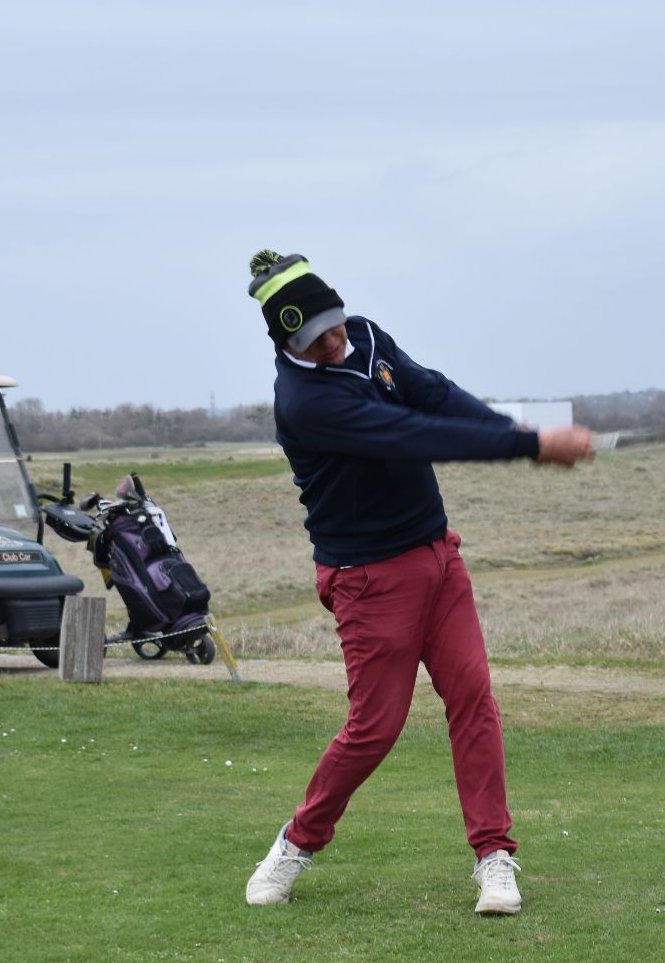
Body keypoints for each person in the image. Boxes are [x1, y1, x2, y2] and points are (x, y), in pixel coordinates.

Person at [241, 250, 594, 915]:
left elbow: (432, 393)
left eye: (336, 326)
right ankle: (295, 843)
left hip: (437, 555)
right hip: (368, 578)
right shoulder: (307, 403)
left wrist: (513, 431)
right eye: (317, 340)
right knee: (375, 728)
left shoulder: (366, 337)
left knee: (473, 698)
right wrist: (531, 449)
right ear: (287, 345)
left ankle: (494, 856)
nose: (336, 343)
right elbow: (411, 432)